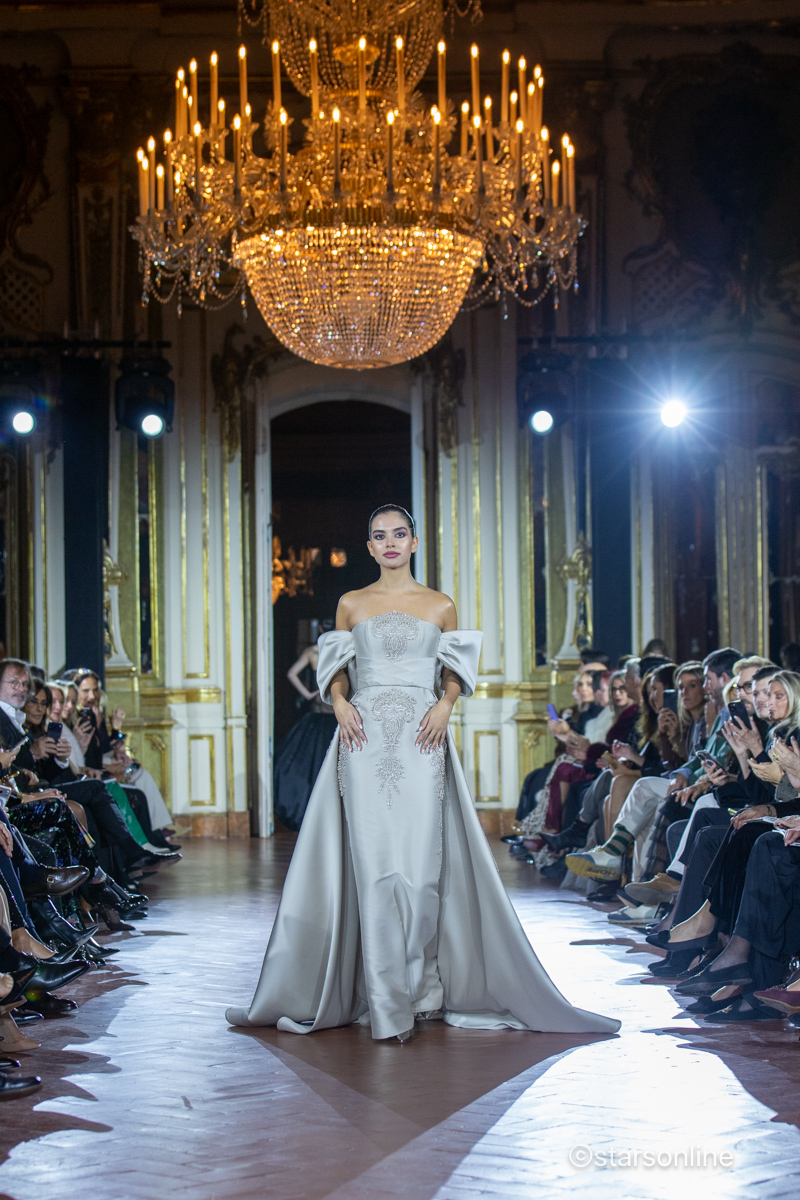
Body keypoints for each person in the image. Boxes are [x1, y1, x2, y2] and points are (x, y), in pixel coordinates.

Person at [226, 505, 620, 1043]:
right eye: (379, 535)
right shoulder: (350, 603)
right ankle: (383, 999)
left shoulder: (441, 605)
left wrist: (445, 705)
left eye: (399, 534)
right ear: (369, 546)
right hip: (362, 739)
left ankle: (422, 990)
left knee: (420, 869)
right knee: (371, 865)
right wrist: (339, 703)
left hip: (422, 736)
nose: (390, 542)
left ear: (414, 542)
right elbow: (336, 672)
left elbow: (453, 672)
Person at [272, 620, 338, 830]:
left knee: (312, 765)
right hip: (335, 715)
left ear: (320, 629)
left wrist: (308, 693)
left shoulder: (313, 652)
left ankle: (315, 813)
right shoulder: (341, 650)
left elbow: (291, 673)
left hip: (319, 713)